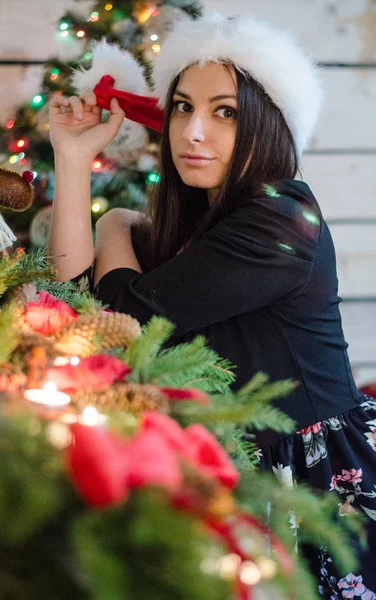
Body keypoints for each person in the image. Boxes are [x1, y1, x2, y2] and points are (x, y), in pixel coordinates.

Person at [49, 12, 376, 596]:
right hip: (227, 467)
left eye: (225, 111)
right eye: (183, 106)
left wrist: (117, 223)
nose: (193, 131)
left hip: (313, 485)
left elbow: (123, 318)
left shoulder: (283, 219)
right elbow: (78, 311)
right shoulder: (204, 219)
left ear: (268, 122)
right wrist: (72, 163)